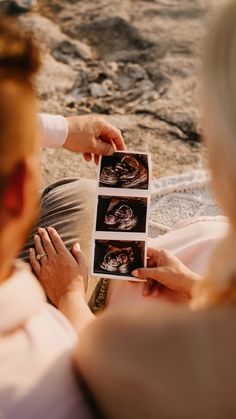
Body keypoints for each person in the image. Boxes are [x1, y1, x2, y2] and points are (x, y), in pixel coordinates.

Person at [72, 1, 236, 418]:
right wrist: (196, 285)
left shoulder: (134, 347)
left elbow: (82, 370)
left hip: (106, 327)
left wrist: (66, 296)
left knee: (76, 198)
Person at [0, 17, 125, 419]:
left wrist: (63, 128)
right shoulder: (49, 374)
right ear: (21, 190)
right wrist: (70, 299)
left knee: (79, 195)